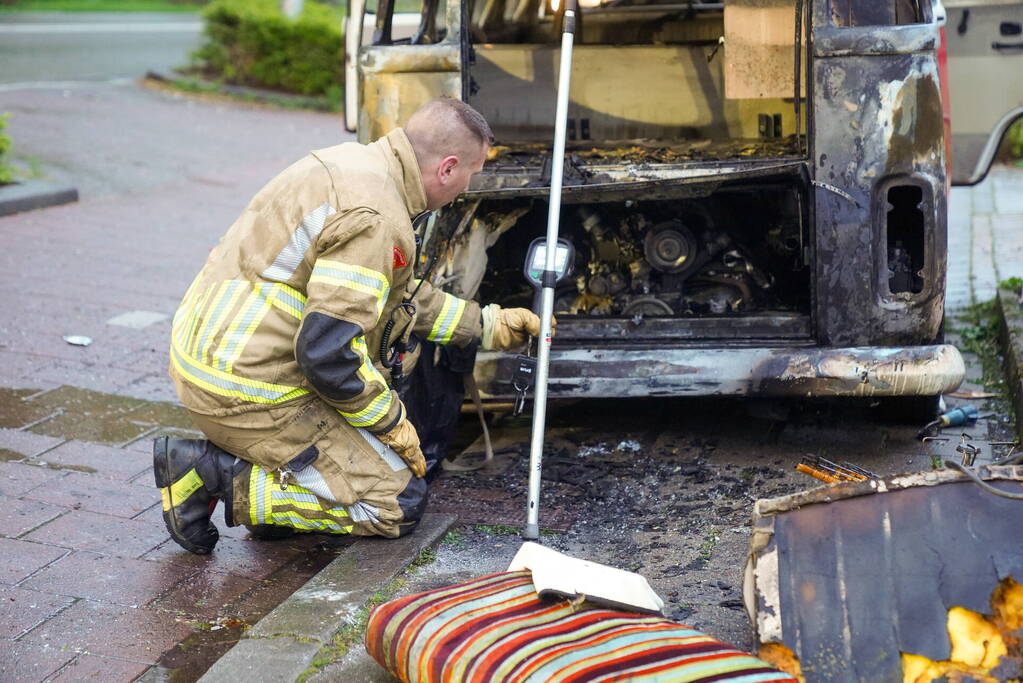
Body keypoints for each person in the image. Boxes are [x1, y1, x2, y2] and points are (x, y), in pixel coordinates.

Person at [155, 97, 541, 554]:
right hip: (250, 393)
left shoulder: (353, 163)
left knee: (361, 456)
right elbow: (328, 356)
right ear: (448, 168)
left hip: (211, 358)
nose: (467, 186)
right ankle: (212, 474)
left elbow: (400, 297)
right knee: (397, 502)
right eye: (472, 172)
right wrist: (392, 421)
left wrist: (488, 325)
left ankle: (270, 484)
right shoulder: (378, 218)